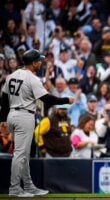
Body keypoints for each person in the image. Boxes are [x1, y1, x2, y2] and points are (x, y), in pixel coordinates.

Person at [0, 49, 75, 197]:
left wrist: (2, 119)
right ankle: (14, 188)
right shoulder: (33, 79)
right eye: (38, 61)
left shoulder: (12, 75)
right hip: (24, 116)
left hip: (12, 115)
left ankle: (28, 186)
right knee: (20, 154)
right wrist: (66, 100)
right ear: (33, 62)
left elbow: (3, 98)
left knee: (24, 154)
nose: (40, 63)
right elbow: (47, 99)